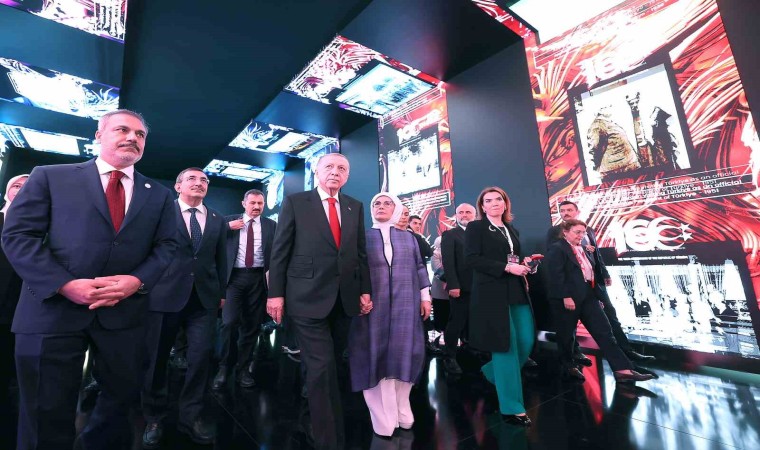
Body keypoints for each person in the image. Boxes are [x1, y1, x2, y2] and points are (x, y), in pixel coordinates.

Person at [2, 109, 178, 449]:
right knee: (44, 410)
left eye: (140, 134)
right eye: (123, 130)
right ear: (98, 135)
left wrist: (137, 281)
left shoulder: (158, 194)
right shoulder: (50, 176)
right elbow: (18, 235)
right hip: (51, 310)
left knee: (119, 404)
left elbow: (168, 246)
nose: (132, 137)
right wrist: (63, 284)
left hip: (124, 315)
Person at [266, 153, 371, 450]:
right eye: (329, 166)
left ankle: (307, 417)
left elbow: (359, 252)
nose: (335, 172)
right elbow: (280, 250)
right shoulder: (296, 202)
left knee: (329, 365)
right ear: (316, 171)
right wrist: (275, 293)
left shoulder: (354, 206)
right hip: (305, 296)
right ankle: (329, 440)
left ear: (348, 175)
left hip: (344, 299)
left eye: (342, 168)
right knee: (322, 365)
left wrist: (365, 290)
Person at [142, 168, 227, 447]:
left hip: (203, 300)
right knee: (156, 359)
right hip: (163, 296)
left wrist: (222, 293)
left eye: (204, 180)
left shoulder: (216, 219)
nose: (199, 183)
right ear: (178, 186)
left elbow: (220, 258)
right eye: (192, 179)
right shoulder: (161, 212)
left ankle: (191, 416)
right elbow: (147, 251)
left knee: (201, 359)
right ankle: (154, 416)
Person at [348, 193, 431, 436]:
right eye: (376, 203)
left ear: (396, 209)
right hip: (373, 306)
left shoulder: (409, 238)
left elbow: (419, 267)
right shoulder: (362, 237)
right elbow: (352, 270)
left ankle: (401, 405)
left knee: (405, 353)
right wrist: (357, 297)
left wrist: (425, 297)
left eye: (387, 203)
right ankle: (382, 414)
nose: (381, 207)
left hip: (406, 304)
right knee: (374, 354)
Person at [546, 200, 654, 370]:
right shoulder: (555, 232)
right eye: (562, 210)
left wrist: (604, 273)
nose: (565, 213)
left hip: (594, 283)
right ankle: (573, 356)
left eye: (569, 210)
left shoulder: (588, 230)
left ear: (577, 211)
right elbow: (555, 262)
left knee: (610, 316)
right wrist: (565, 293)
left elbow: (596, 254)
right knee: (568, 324)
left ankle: (626, 353)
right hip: (572, 286)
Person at [465, 187, 536, 426]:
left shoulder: (511, 229)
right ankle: (512, 408)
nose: (494, 203)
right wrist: (506, 268)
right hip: (491, 292)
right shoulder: (476, 227)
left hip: (515, 289)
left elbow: (513, 258)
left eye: (498, 199)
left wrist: (525, 265)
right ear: (482, 206)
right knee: (505, 347)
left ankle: (491, 372)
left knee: (526, 340)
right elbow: (472, 259)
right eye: (488, 200)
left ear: (505, 203)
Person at [213, 189, 276, 390]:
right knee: (229, 323)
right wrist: (226, 228)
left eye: (260, 203)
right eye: (253, 203)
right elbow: (209, 237)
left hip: (258, 279)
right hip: (234, 278)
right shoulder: (228, 221)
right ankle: (224, 368)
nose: (257, 207)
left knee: (252, 326)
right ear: (244, 203)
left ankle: (243, 369)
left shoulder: (271, 225)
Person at [0, 174, 28, 420]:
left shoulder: (41, 225)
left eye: (27, 187)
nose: (20, 190)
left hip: (19, 306)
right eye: (16, 185)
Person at [440, 203, 476, 375]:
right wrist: (453, 284)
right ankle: (450, 356)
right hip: (460, 287)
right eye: (460, 212)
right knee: (457, 321)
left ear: (475, 215)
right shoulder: (450, 234)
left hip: (481, 286)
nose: (464, 215)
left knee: (477, 320)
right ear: (456, 215)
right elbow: (448, 262)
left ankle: (475, 348)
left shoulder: (481, 234)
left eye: (468, 212)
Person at [430, 237, 449, 340]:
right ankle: (440, 341)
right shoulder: (436, 253)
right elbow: (437, 270)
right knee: (441, 318)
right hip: (440, 292)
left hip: (453, 292)